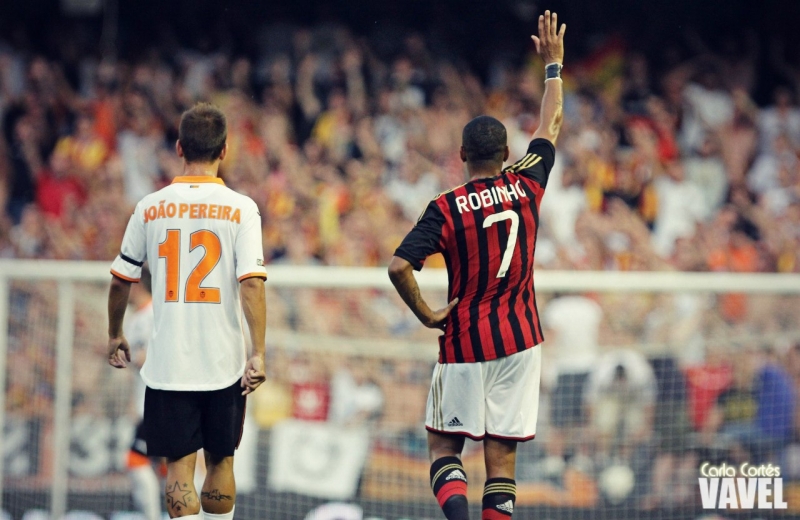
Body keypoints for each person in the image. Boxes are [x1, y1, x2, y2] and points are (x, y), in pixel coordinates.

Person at [388, 11, 565, 520]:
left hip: (465, 339)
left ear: (462, 153)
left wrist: (427, 314)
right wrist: (553, 66)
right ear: (507, 152)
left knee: (444, 448)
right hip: (520, 341)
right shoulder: (528, 183)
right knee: (501, 461)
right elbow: (551, 123)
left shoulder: (444, 208)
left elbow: (399, 267)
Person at [106, 102, 268, 519]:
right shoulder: (242, 208)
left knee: (178, 468)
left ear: (179, 148)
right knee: (221, 461)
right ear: (224, 150)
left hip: (168, 364)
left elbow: (122, 278)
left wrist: (115, 332)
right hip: (223, 362)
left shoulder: (149, 207)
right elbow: (251, 282)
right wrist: (258, 352)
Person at [123, 266, 162, 520]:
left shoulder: (157, 314)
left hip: (159, 401)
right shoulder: (135, 319)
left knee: (135, 460)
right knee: (168, 463)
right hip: (145, 402)